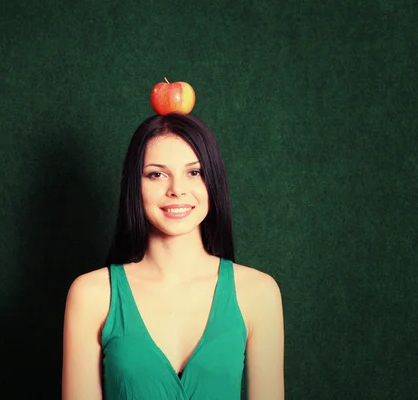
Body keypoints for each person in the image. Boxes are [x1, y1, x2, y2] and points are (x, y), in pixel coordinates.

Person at [62, 113, 284, 399]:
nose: (177, 190)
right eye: (157, 174)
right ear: (135, 185)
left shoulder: (258, 292)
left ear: (213, 181)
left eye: (194, 172)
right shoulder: (91, 295)